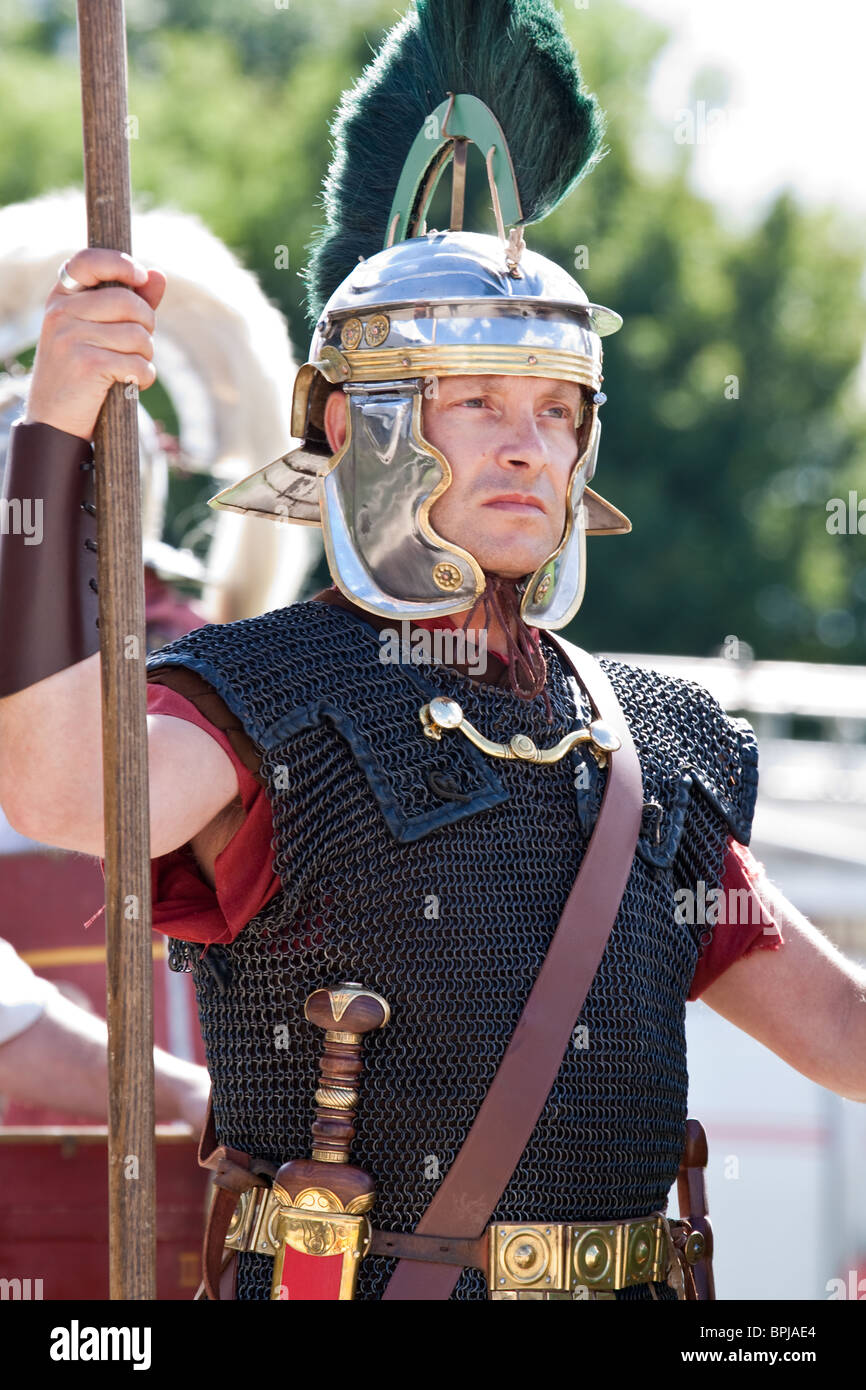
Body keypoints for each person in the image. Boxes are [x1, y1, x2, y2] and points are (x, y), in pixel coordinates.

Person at [0, 0, 863, 1302]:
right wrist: (54, 437)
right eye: (473, 400)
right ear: (355, 431)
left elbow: (846, 1033)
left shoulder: (658, 745)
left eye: (555, 410)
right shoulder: (262, 701)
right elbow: (62, 789)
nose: (526, 445)